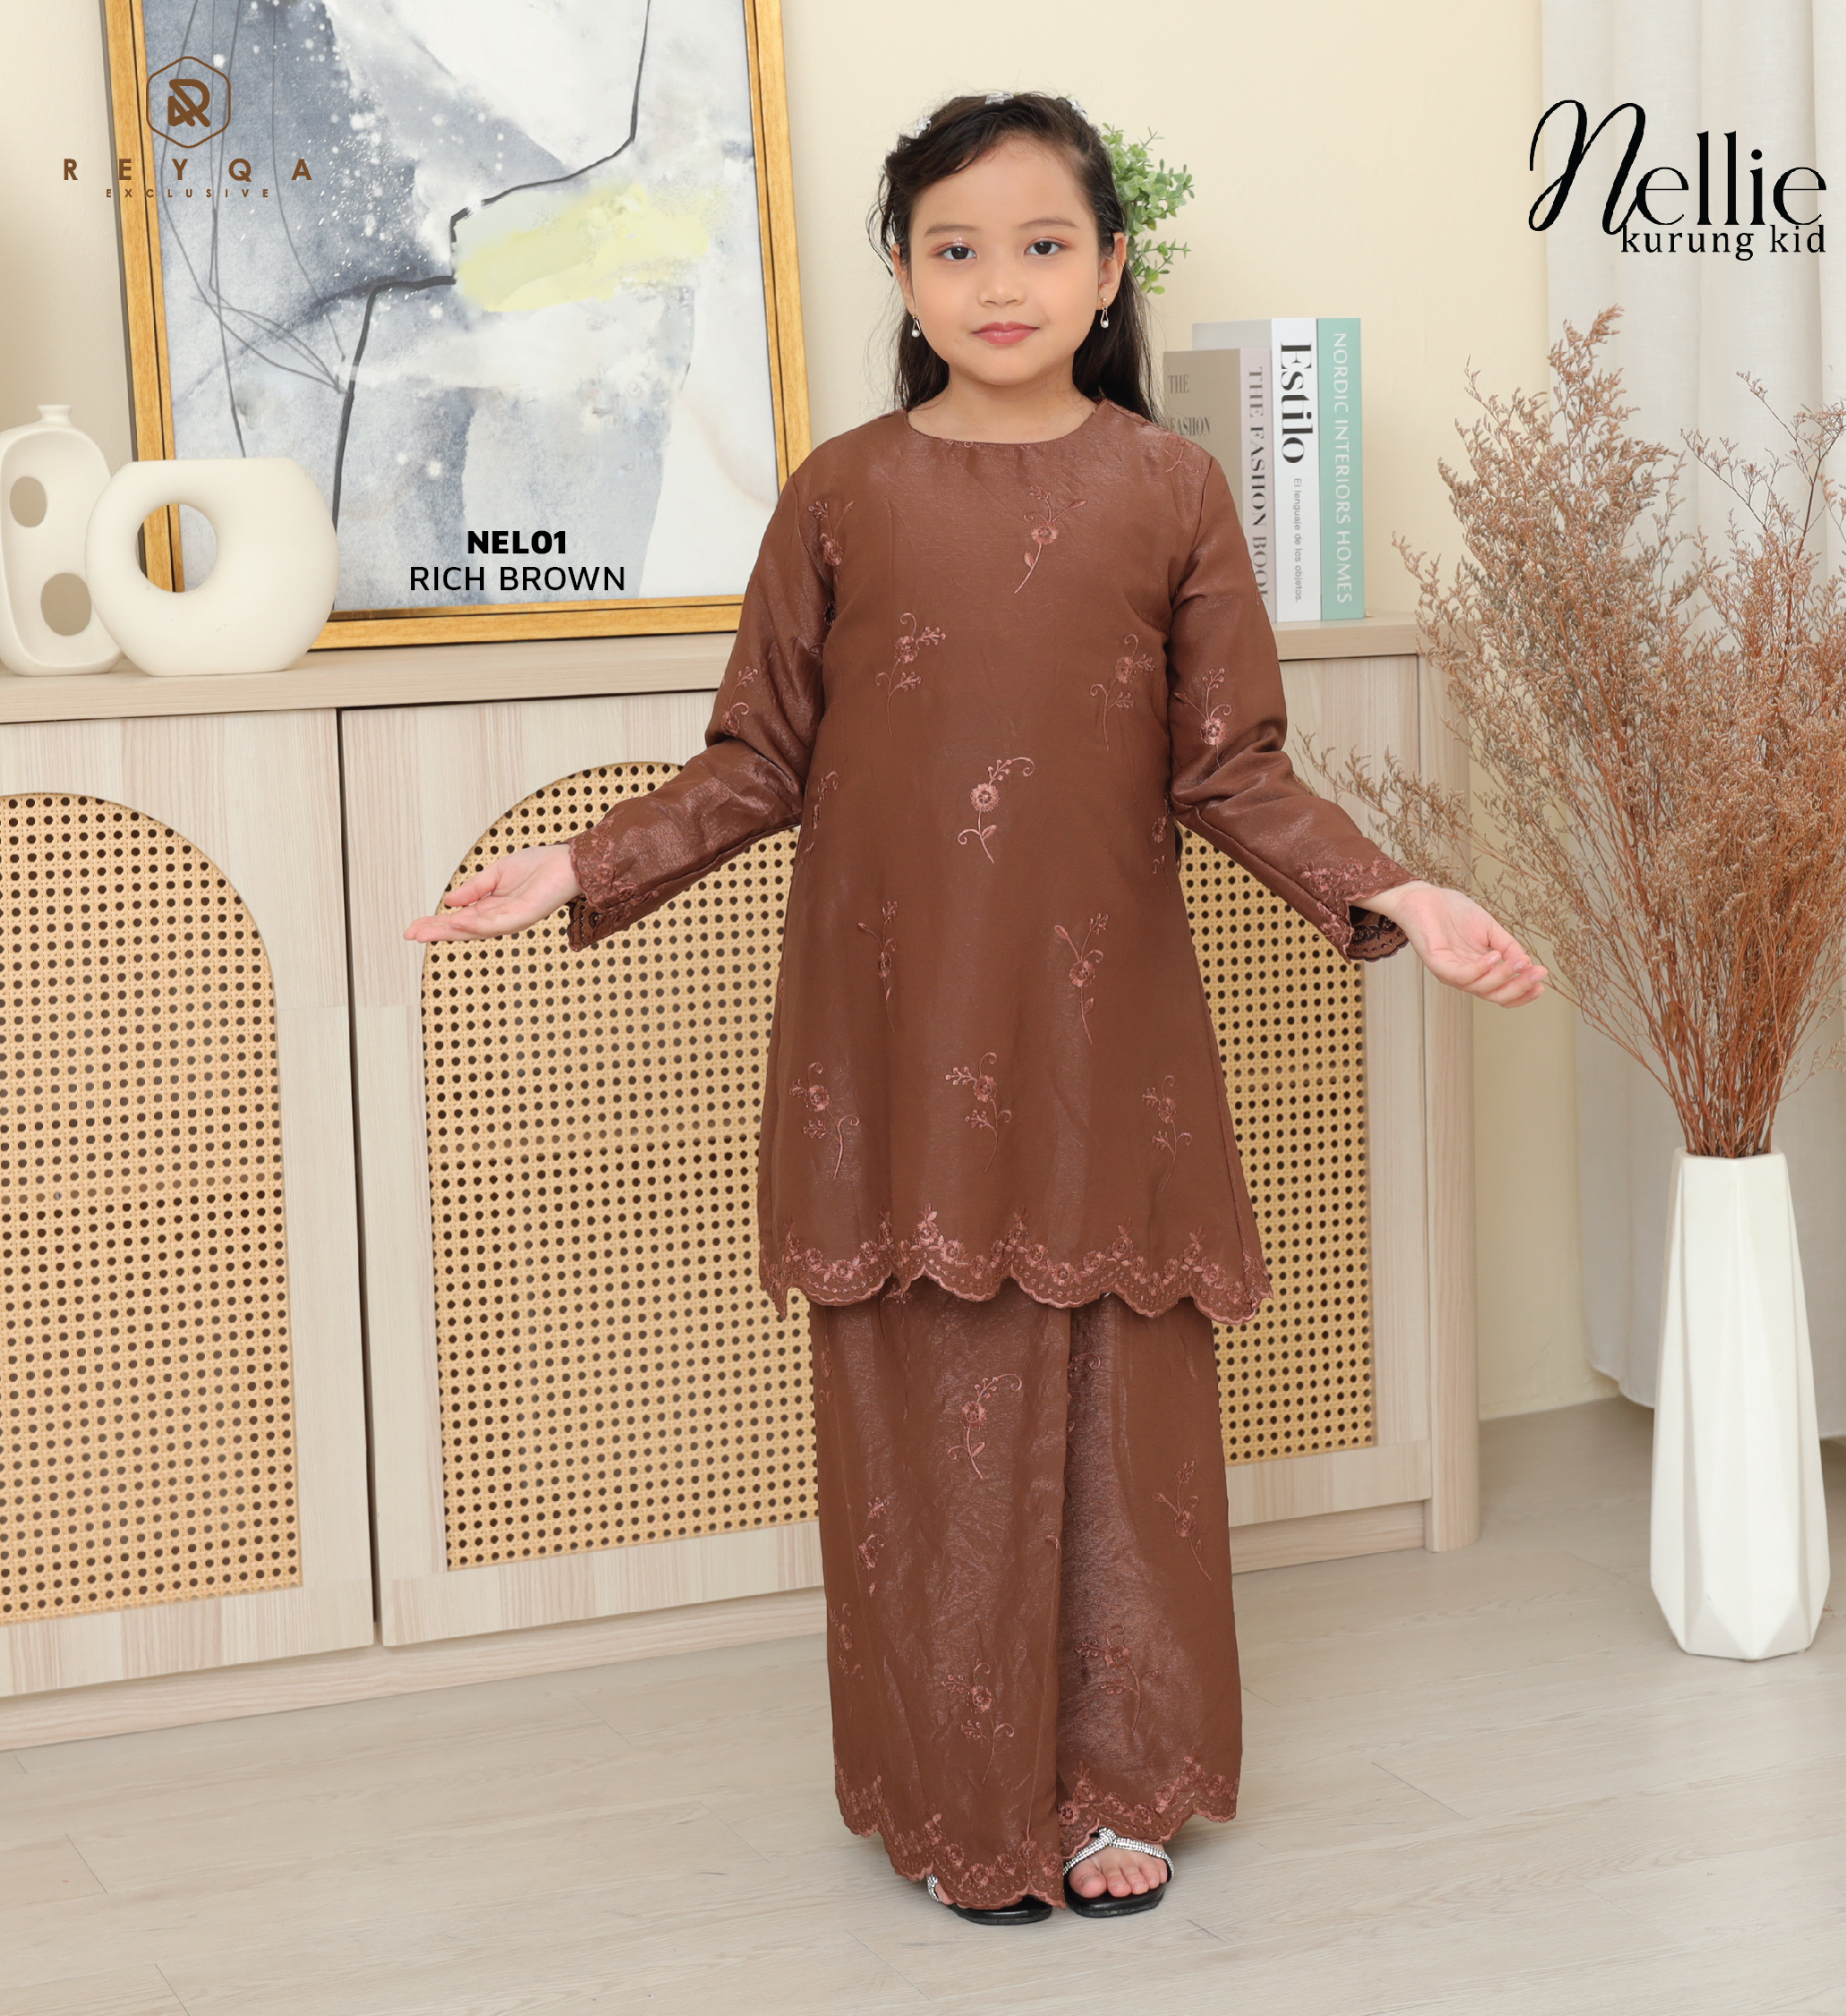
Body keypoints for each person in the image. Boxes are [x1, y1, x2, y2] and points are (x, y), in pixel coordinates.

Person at [406, 90, 1544, 1926]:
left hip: (1105, 1035)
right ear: (901, 270)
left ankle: (1118, 1786)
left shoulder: (1168, 490)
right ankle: (962, 1800)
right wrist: (580, 866)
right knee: (920, 1411)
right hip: (891, 1025)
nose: (998, 281)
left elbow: (1232, 766)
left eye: (1040, 245)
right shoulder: (841, 492)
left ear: (1107, 270)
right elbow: (757, 754)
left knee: (1120, 1411)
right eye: (955, 247)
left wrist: (1399, 889)